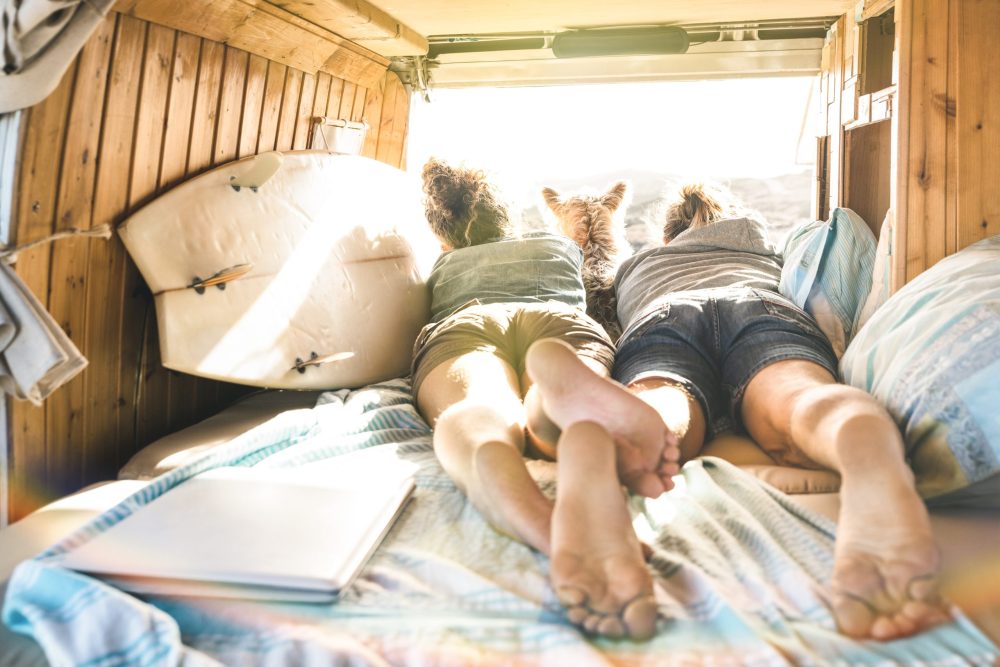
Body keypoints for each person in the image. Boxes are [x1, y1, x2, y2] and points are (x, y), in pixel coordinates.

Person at [525, 182, 949, 641]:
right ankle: (855, 433)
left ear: (668, 236)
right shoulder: (758, 242)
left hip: (663, 314)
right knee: (800, 399)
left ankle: (619, 433)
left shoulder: (639, 264)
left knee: (664, 405)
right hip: (759, 305)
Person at [411, 158, 679, 640]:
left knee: (481, 401)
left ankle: (534, 517)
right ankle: (566, 420)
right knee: (556, 404)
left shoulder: (446, 262)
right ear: (509, 218)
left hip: (469, 321)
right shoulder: (556, 246)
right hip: (560, 320)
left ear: (443, 236)